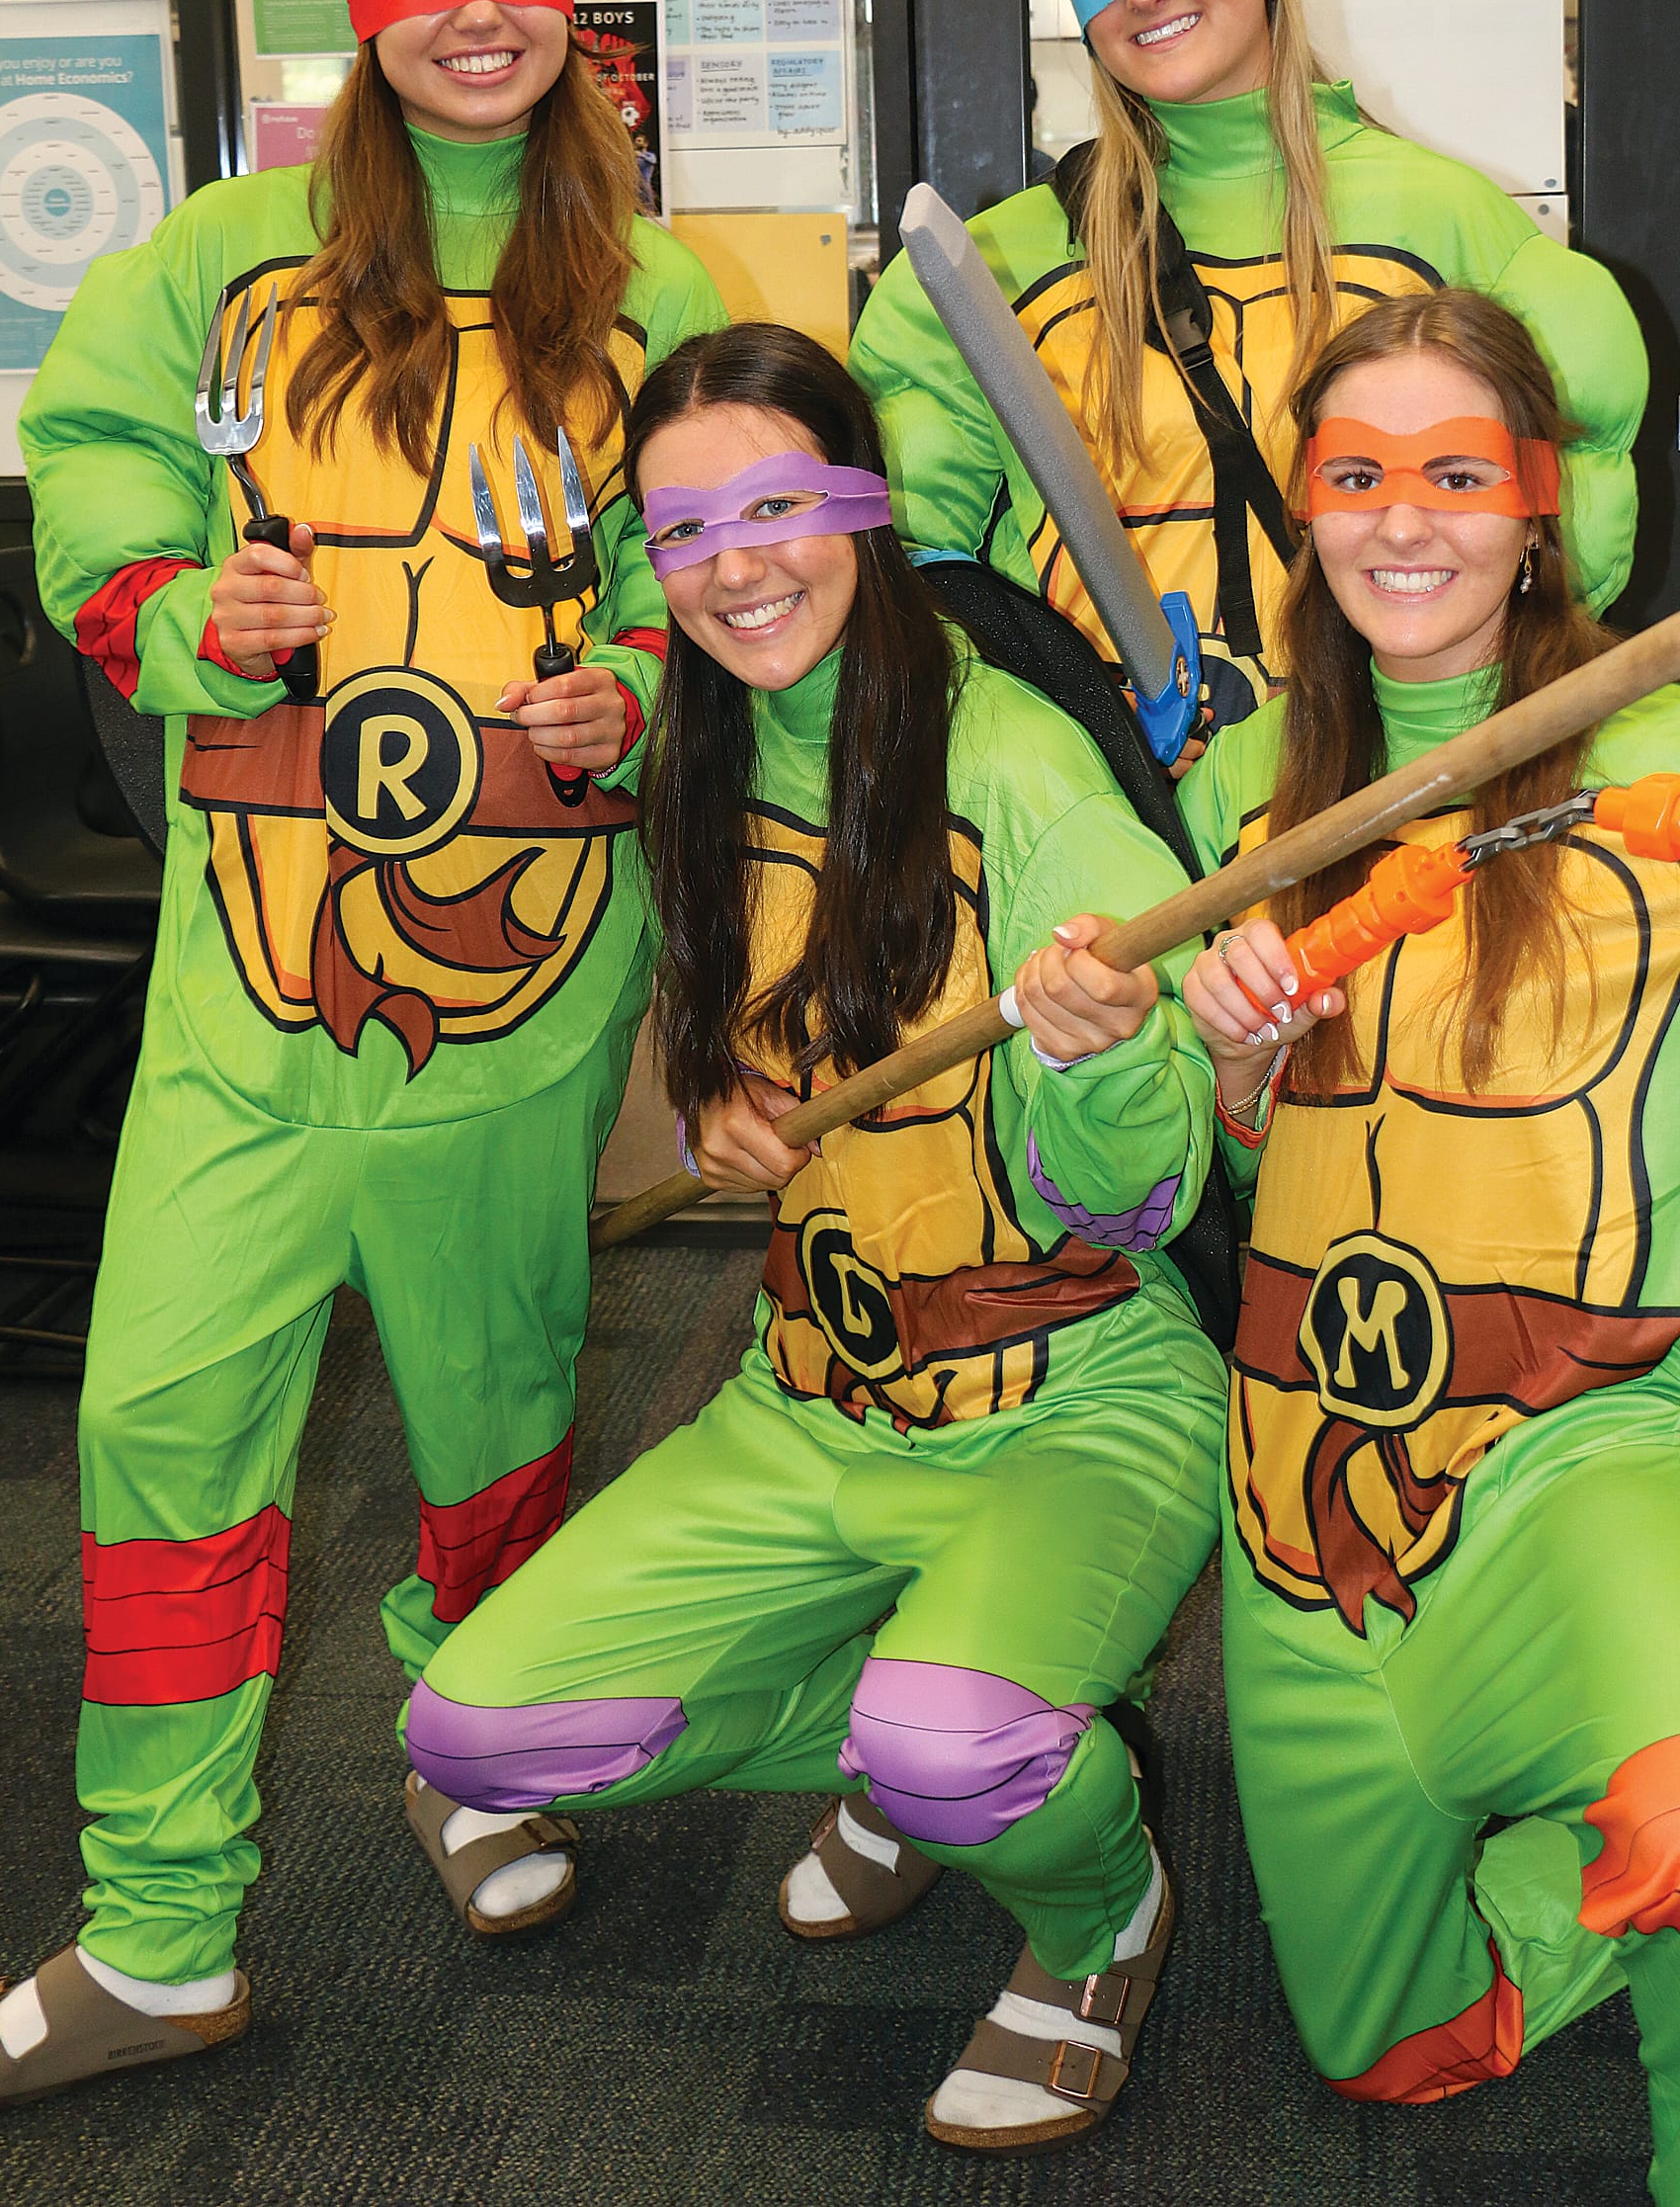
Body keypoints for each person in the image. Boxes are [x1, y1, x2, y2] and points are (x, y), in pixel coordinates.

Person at [0, 0, 726, 2105]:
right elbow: (95, 464)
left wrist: (647, 673)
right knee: (162, 1420)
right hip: (252, 965)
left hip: (527, 977)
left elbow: (740, 559)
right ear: (361, 6)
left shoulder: (664, 295)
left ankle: (474, 1738)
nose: (478, 7)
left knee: (497, 1408)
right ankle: (161, 1927)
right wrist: (174, 606)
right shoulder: (220, 257)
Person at [403, 323, 1227, 2151]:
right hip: (808, 1400)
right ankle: (912, 1750)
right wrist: (709, 1109)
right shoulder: (696, 761)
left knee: (952, 1752)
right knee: (474, 1740)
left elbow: (1144, 1195)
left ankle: (1094, 1914)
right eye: (687, 528)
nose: (737, 563)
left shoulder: (1010, 761)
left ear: (861, 511)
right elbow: (709, 1045)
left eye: (780, 503)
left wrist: (1095, 1063)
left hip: (1072, 1391)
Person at [1173, 284, 1680, 2206]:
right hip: (1305, 1497)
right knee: (1397, 2047)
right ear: (1301, 508)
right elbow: (1217, 1171)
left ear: (1538, 505)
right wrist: (1222, 1063)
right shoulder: (1253, 794)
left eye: (1454, 473)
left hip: (1582, 1457)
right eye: (1356, 474)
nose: (1403, 521)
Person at [851, 0, 1646, 740]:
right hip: (1111, 807)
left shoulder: (1450, 226)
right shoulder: (990, 271)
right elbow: (910, 567)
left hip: (1370, 784)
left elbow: (1560, 544)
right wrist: (1081, 720)